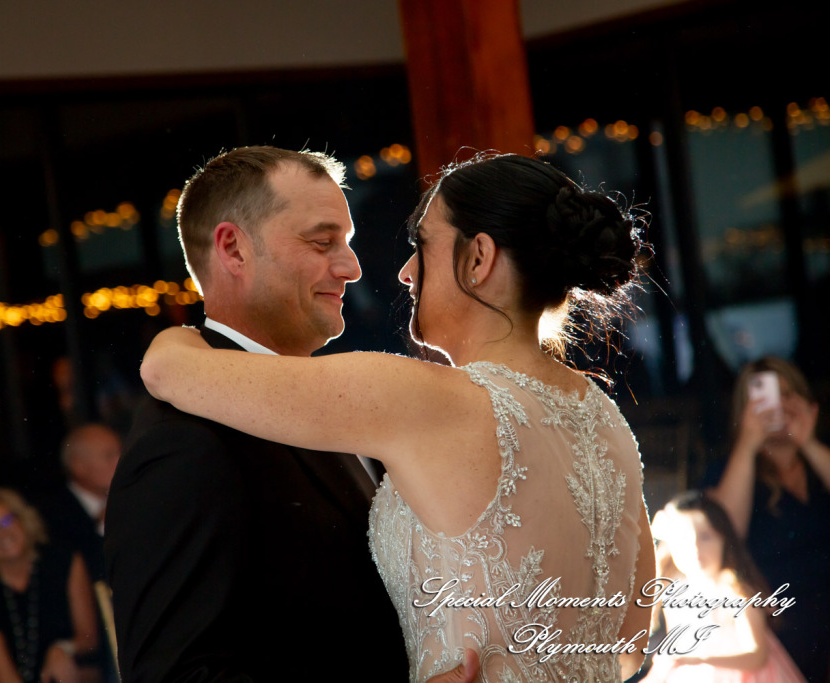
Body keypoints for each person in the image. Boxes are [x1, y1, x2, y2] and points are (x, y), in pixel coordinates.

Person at [141, 152, 656, 681]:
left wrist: (176, 336)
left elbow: (165, 371)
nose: (406, 271)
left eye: (422, 245)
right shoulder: (606, 421)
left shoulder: (419, 398)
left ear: (479, 258)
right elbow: (630, 642)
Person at [104, 146, 478, 683]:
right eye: (323, 243)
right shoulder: (184, 443)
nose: (351, 268)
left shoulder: (343, 401)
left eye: (346, 243)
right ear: (233, 249)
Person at [708, 356, 830, 681]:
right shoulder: (730, 471)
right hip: (781, 620)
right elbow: (724, 533)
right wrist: (749, 443)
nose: (780, 405)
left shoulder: (821, 461)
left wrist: (807, 443)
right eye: (766, 396)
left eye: (788, 394)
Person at [643, 491, 805, 682]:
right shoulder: (674, 591)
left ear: (724, 540)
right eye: (683, 537)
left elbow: (758, 656)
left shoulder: (735, 591)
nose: (695, 546)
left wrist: (698, 659)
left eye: (706, 536)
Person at [0, 488, 100, 682]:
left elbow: (89, 638)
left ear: (24, 520)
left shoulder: (64, 562)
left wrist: (62, 649)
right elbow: (5, 677)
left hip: (78, 673)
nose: (2, 533)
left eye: (7, 520)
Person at [40, 423, 122, 583]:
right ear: (79, 467)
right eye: (108, 456)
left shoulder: (133, 496)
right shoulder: (52, 516)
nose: (120, 461)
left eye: (121, 452)